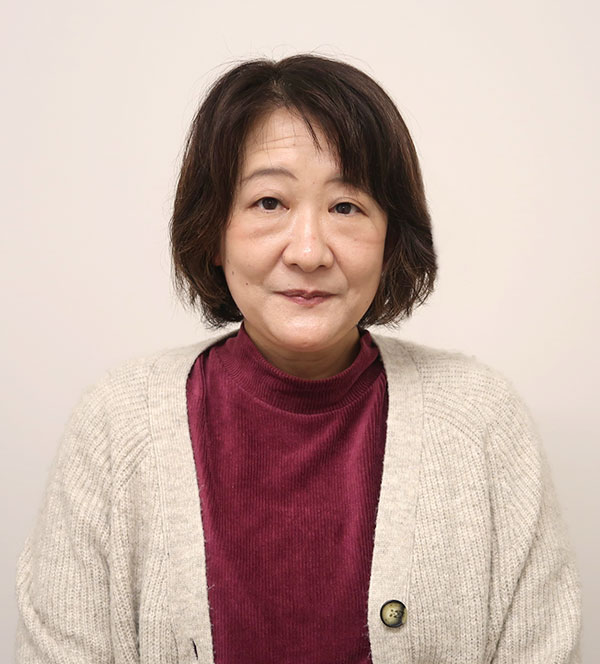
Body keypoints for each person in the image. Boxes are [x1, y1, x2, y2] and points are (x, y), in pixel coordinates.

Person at [15, 54, 581, 663]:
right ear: (213, 230)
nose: (308, 252)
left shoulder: (482, 422)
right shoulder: (117, 425)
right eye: (268, 203)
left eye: (346, 207)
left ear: (391, 237)